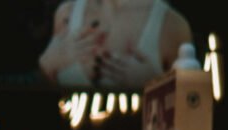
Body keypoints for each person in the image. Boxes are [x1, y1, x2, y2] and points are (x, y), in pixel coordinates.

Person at [38, 0, 192, 91]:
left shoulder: (171, 26)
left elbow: (189, 115)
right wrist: (46, 66)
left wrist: (155, 86)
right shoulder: (67, 14)